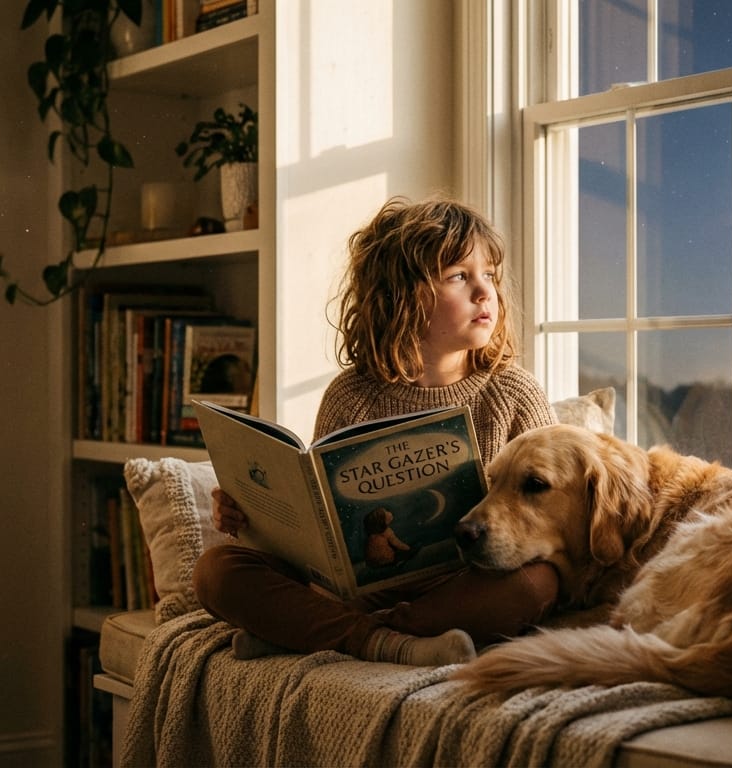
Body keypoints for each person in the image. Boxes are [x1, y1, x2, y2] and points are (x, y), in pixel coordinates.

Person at [192, 195, 559, 666]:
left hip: (462, 585)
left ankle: (317, 634)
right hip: (356, 592)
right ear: (403, 298)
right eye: (459, 277)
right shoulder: (352, 395)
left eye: (488, 274)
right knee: (216, 573)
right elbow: (319, 528)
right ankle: (388, 642)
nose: (485, 291)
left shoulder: (513, 392)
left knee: (538, 583)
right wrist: (251, 519)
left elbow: (552, 512)